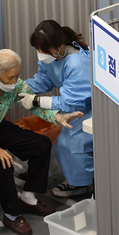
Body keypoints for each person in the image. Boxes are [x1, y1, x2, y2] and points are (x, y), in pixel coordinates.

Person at [0, 49, 82, 235]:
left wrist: (57, 117)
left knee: (41, 144)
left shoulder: (16, 85)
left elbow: (33, 104)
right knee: (3, 163)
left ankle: (28, 197)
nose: (15, 82)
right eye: (10, 78)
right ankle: (11, 215)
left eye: (17, 76)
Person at [18, 20, 93, 198]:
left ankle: (83, 184)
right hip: (73, 105)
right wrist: (19, 87)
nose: (40, 54)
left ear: (58, 47)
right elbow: (44, 80)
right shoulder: (51, 57)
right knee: (64, 142)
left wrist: (36, 101)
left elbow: (70, 103)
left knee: (68, 143)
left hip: (88, 109)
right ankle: (78, 180)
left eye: (42, 50)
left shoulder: (77, 63)